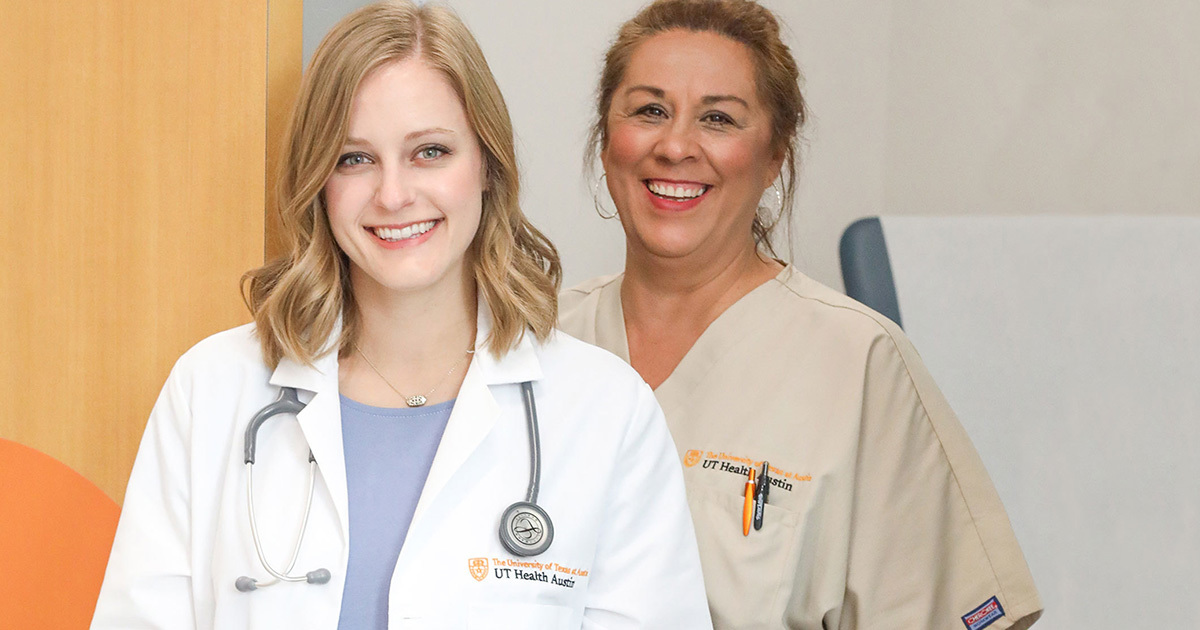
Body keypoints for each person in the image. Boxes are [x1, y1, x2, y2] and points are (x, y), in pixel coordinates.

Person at [91, 2, 712, 628]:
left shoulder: (607, 415)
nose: (392, 194)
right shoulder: (211, 391)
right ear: (318, 182)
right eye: (353, 158)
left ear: (488, 166)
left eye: (430, 152)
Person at [558, 1, 1043, 628]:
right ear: (606, 139)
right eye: (650, 110)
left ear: (774, 156)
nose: (676, 145)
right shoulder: (533, 341)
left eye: (719, 118)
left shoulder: (858, 363)